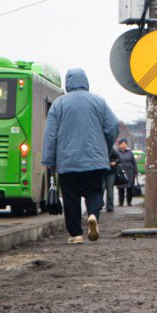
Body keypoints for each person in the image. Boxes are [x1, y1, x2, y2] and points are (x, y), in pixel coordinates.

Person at [41, 68, 119, 244]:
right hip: (95, 160)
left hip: (67, 161)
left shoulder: (59, 104)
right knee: (94, 191)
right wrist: (104, 148)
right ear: (86, 81)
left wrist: (49, 160)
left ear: (67, 83)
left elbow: (51, 135)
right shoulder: (99, 102)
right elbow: (112, 126)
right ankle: (92, 215)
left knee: (71, 197)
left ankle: (76, 234)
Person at [114, 139, 139, 206]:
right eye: (122, 144)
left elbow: (134, 163)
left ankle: (129, 202)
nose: (123, 145)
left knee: (129, 188)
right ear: (119, 145)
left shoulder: (130, 152)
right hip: (121, 173)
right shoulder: (117, 153)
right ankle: (121, 203)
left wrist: (136, 172)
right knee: (121, 188)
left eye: (125, 144)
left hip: (130, 173)